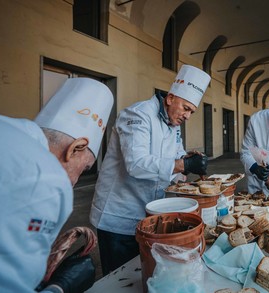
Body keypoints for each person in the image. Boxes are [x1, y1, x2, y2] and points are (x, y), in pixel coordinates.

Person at [0, 78, 114, 293]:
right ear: (76, 147)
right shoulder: (46, 180)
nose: (75, 181)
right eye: (84, 169)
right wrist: (61, 287)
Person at [90, 64, 211, 275]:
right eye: (186, 108)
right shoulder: (137, 115)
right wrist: (183, 165)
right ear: (170, 98)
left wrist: (188, 159)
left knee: (142, 275)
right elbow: (136, 164)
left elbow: (175, 156)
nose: (188, 116)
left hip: (149, 212)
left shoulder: (173, 125)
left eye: (192, 111)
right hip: (118, 214)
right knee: (119, 279)